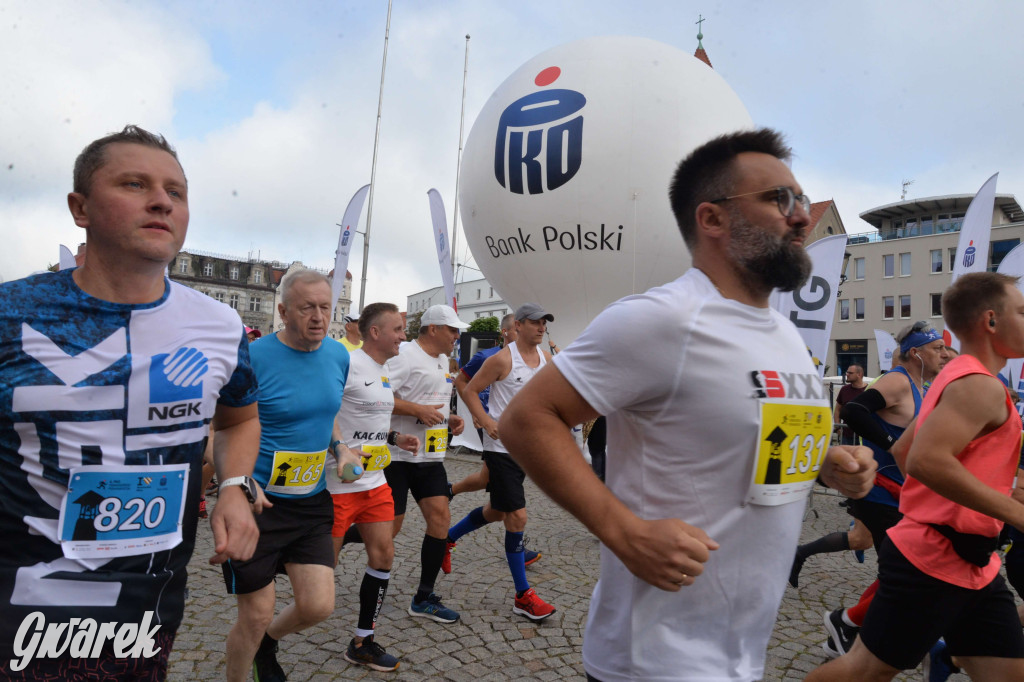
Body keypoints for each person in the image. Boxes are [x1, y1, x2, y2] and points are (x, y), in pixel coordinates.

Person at [499, 128, 876, 681]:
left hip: (743, 651)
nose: (801, 216)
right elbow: (526, 418)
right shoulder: (663, 318)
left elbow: (744, 429)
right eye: (779, 199)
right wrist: (622, 531)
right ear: (713, 219)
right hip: (653, 657)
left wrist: (824, 463)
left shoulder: (785, 334)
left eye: (800, 198)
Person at [0, 125, 262, 679]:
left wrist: (234, 490)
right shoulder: (12, 313)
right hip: (22, 585)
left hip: (145, 594)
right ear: (81, 207)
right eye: (134, 183)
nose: (161, 201)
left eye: (176, 191)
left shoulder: (218, 325)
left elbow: (240, 419)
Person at [808, 272, 1024, 681]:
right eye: (1023, 311)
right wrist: (1014, 512)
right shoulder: (981, 386)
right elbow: (924, 461)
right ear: (991, 321)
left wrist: (969, 495)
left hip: (975, 565)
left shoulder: (956, 375)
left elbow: (907, 452)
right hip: (935, 561)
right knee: (862, 672)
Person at [222, 269, 362, 682]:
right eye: (307, 308)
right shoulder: (252, 357)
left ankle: (269, 642)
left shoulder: (338, 355)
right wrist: (236, 485)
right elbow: (224, 428)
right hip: (257, 503)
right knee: (255, 613)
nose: (319, 317)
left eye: (325, 307)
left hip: (311, 500)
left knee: (318, 606)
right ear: (283, 311)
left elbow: (326, 409)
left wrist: (340, 446)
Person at [822, 321, 949, 656]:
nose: (945, 354)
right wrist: (892, 444)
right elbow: (852, 410)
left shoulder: (921, 386)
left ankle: (849, 627)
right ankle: (848, 625)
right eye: (937, 349)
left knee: (900, 573)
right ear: (915, 353)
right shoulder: (898, 380)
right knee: (907, 573)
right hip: (879, 491)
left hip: (899, 492)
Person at [449, 303, 558, 621]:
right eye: (536, 323)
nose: (541, 328)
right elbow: (469, 390)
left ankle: (449, 537)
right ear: (519, 325)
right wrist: (484, 419)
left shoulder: (545, 359)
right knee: (517, 517)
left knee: (497, 510)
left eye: (544, 323)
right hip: (501, 448)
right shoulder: (501, 359)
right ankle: (523, 596)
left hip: (527, 447)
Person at [327, 302, 419, 672]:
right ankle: (266, 636)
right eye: (398, 329)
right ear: (376, 332)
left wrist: (396, 436)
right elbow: (327, 413)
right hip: (336, 484)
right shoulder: (346, 363)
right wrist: (342, 450)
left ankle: (362, 641)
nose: (403, 335)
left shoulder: (383, 372)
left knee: (383, 556)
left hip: (376, 481)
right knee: (322, 572)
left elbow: (371, 422)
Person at [385, 304, 467, 624]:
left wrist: (449, 418)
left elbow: (435, 400)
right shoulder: (404, 355)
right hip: (396, 457)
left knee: (440, 518)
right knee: (388, 531)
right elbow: (377, 398)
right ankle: (331, 541)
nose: (457, 336)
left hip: (430, 456)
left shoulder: (444, 360)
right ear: (432, 328)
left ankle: (423, 596)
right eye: (452, 330)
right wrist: (415, 410)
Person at [835, 363, 867, 445]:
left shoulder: (869, 390)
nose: (847, 374)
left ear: (859, 375)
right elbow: (837, 409)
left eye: (850, 373)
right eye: (847, 372)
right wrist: (838, 428)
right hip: (846, 435)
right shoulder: (844, 389)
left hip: (866, 436)